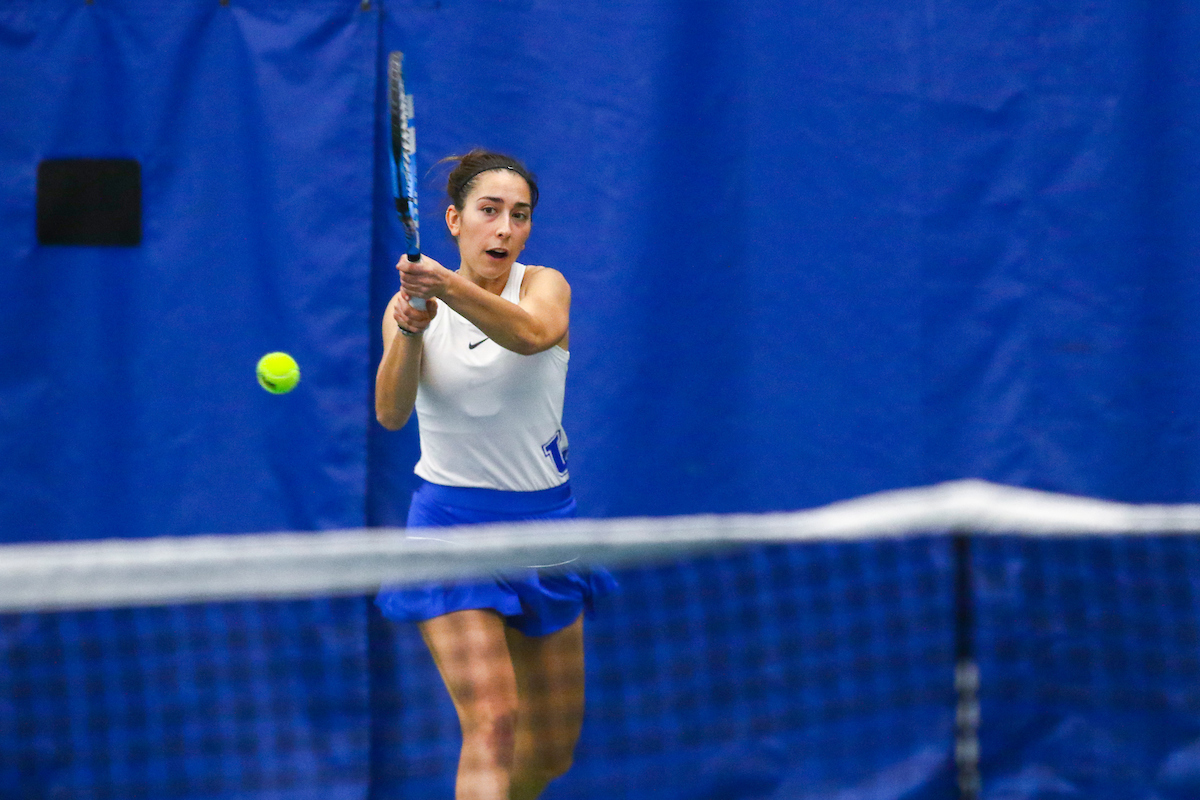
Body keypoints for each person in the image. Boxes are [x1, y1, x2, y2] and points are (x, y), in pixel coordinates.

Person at [374, 149, 615, 800]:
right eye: (489, 211)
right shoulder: (409, 307)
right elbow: (391, 414)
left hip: (545, 528)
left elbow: (534, 335)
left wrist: (444, 289)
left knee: (551, 751)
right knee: (493, 720)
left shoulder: (545, 286)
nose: (505, 228)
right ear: (454, 221)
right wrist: (410, 328)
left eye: (520, 214)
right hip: (450, 530)